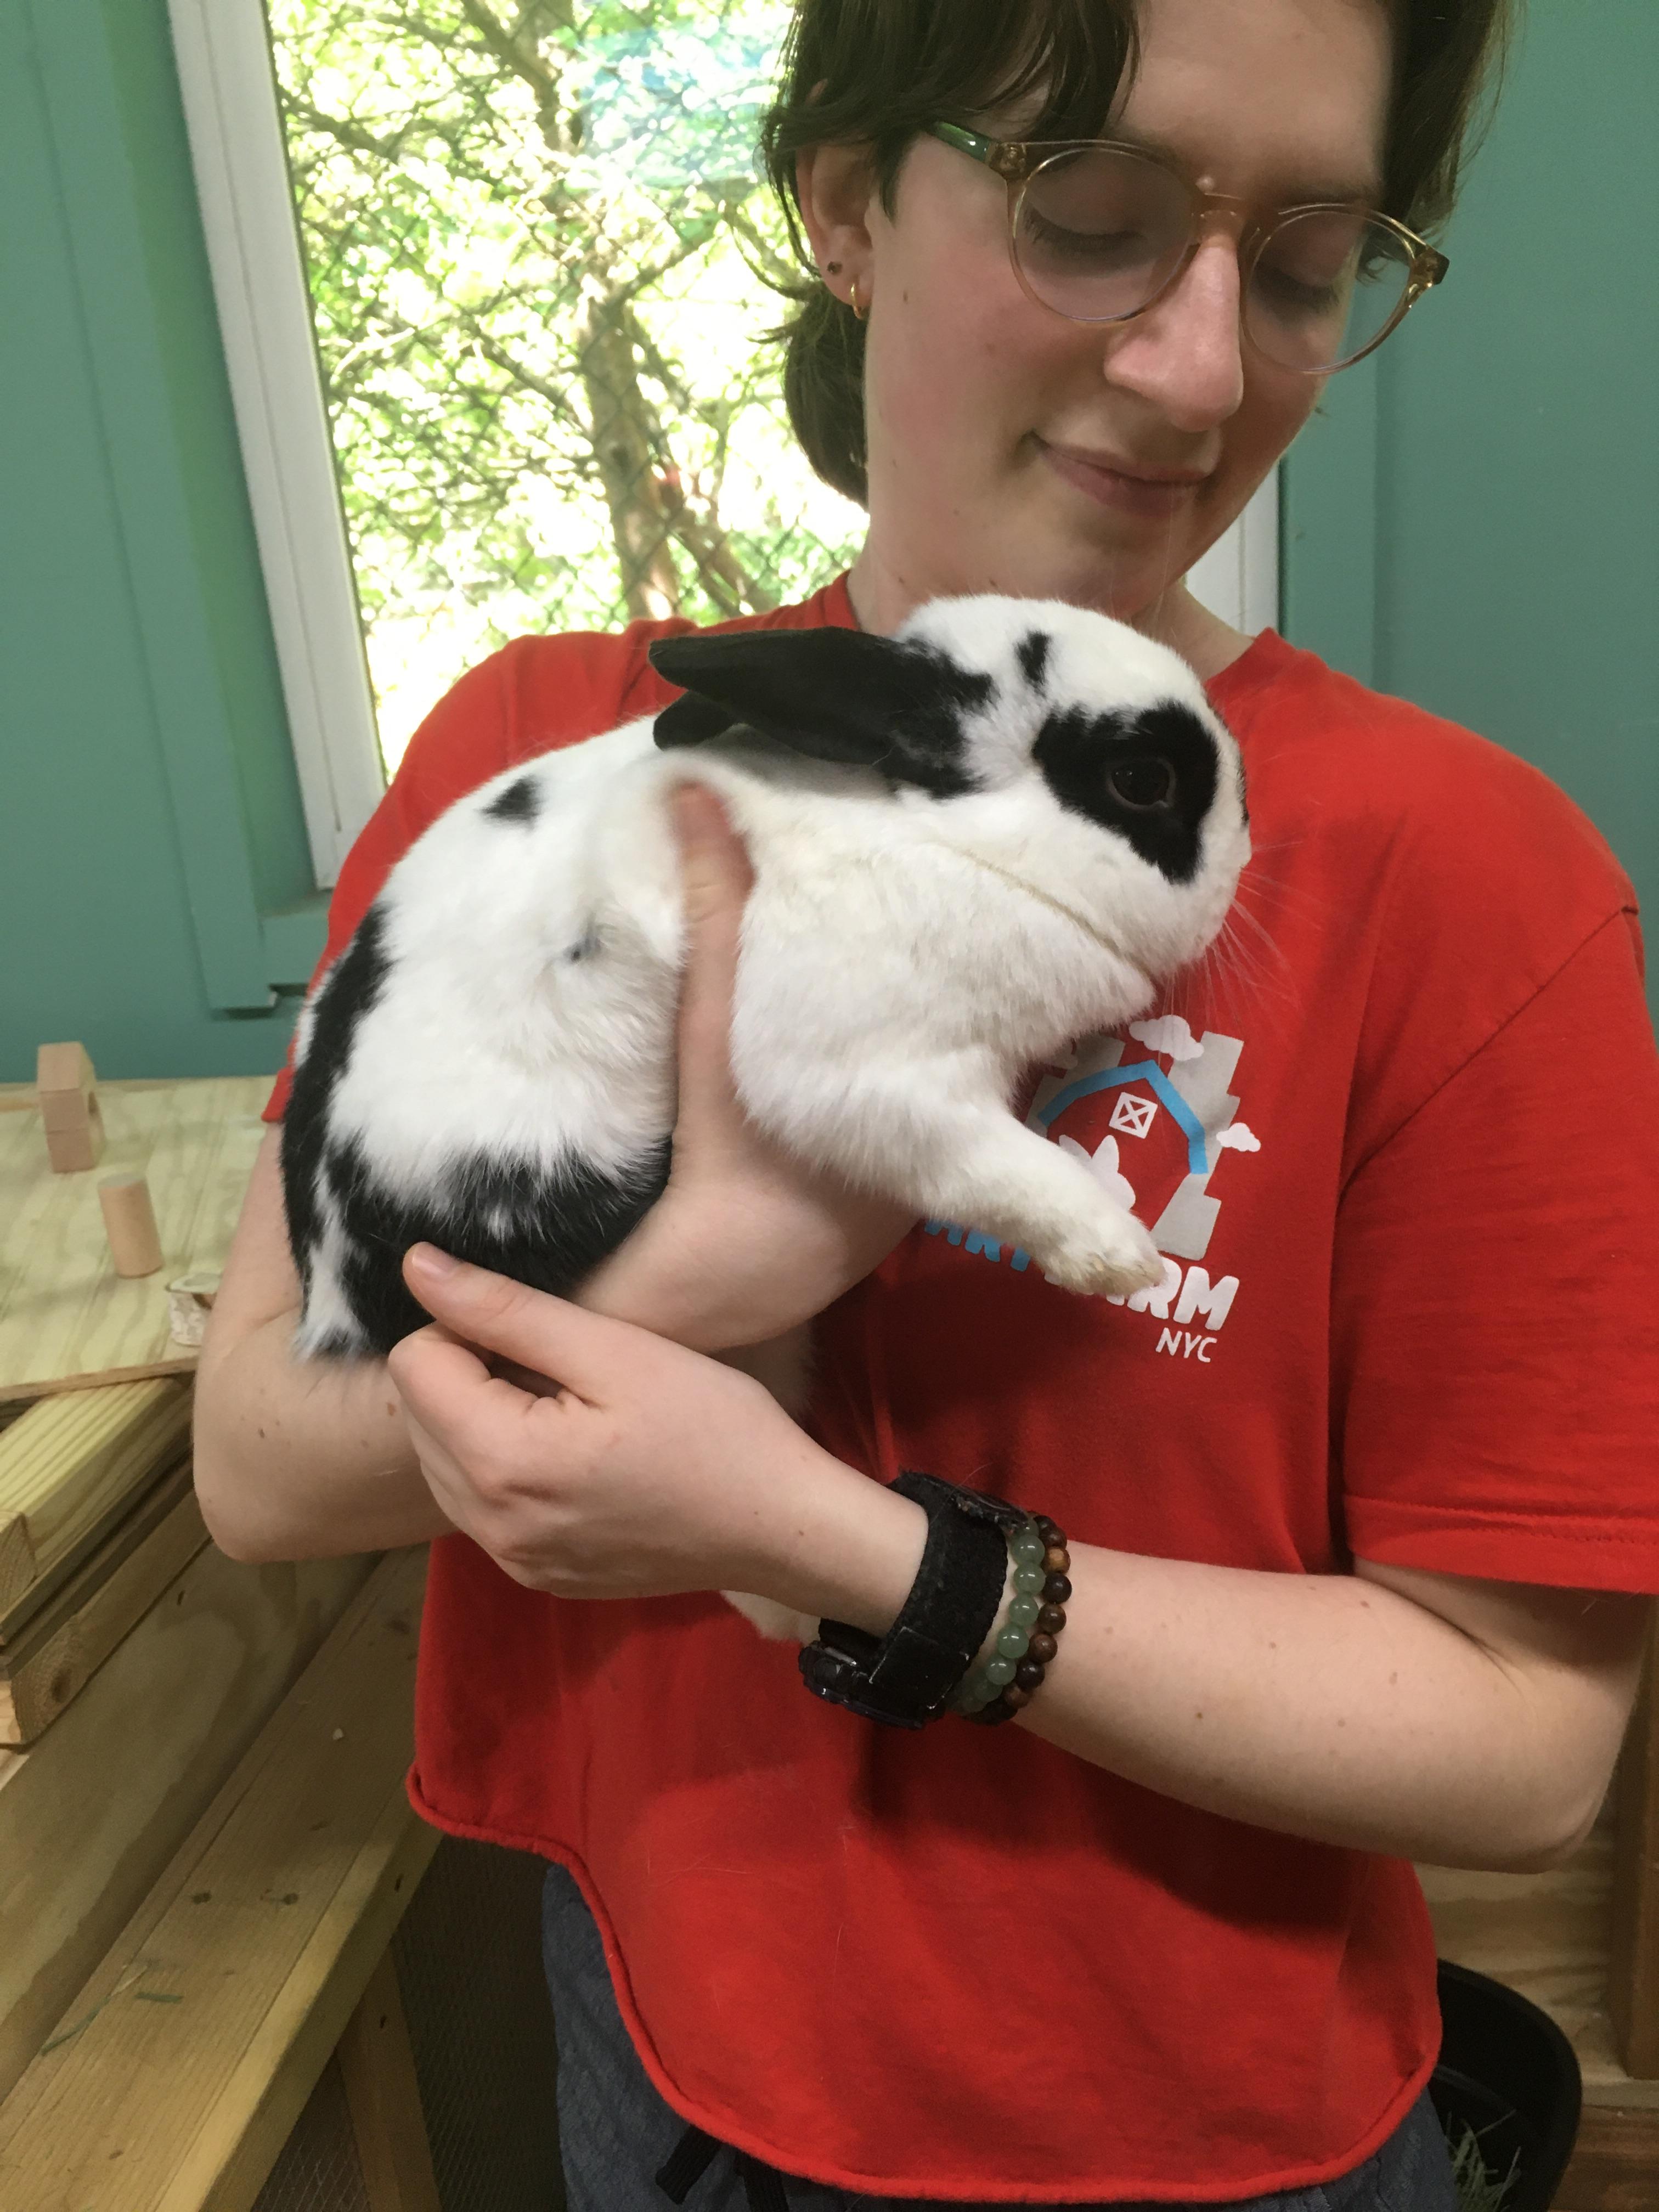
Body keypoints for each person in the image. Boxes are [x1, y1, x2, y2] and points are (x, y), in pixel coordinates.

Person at [194, 1, 1659, 2204]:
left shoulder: (1470, 878)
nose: (1197, 371)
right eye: (1094, 214)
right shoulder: (541, 754)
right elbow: (262, 1458)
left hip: (1214, 2122)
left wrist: (843, 1548)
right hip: (671, 2046)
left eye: (1300, 268)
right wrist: (716, 1273)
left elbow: (1530, 1744)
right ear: (852, 199)